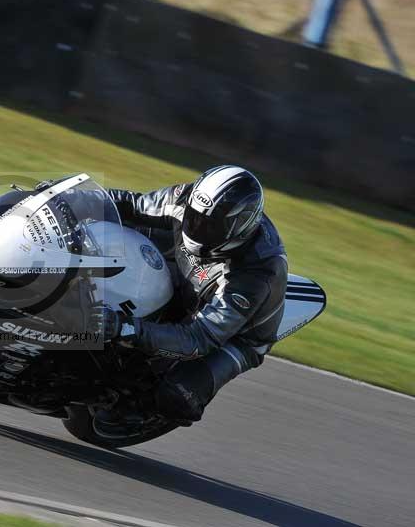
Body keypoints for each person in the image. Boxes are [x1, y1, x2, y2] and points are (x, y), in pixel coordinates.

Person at [91, 165, 288, 427]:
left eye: (209, 226)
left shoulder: (255, 273)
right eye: (194, 217)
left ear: (237, 228)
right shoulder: (185, 198)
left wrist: (124, 327)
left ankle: (148, 411)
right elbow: (129, 204)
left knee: (177, 394)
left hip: (235, 336)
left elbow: (199, 337)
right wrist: (68, 201)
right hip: (189, 276)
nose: (195, 227)